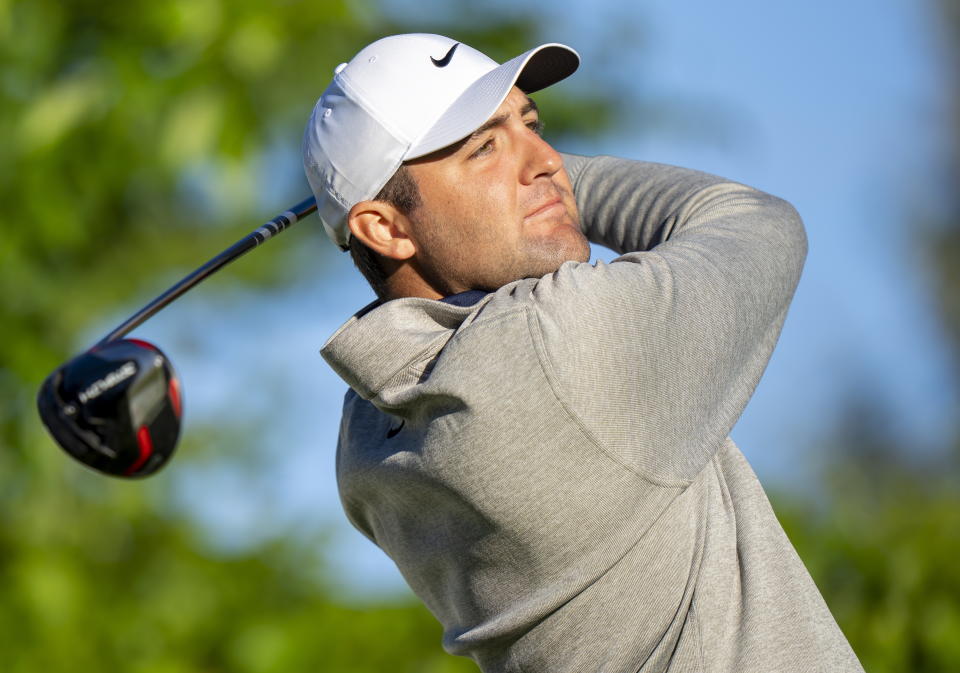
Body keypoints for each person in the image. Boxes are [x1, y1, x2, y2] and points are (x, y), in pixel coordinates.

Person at [302, 33, 864, 673]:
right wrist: (556, 188)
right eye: (485, 147)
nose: (546, 160)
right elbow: (754, 222)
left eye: (534, 127)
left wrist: (493, 176)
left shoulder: (366, 446)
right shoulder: (554, 343)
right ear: (386, 227)